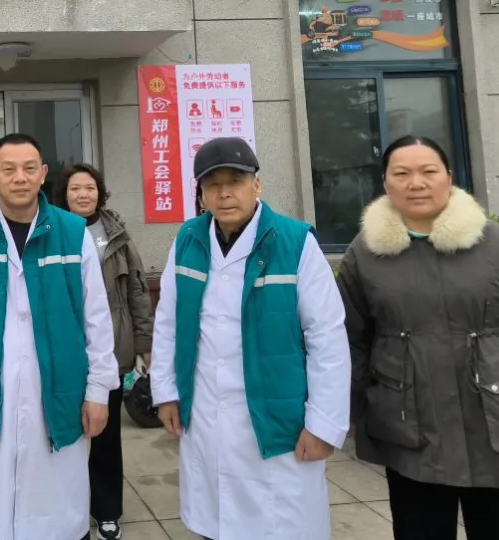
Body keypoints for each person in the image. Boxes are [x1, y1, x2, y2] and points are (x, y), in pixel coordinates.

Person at [337, 135, 499, 540]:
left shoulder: (497, 244)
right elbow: (351, 339)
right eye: (401, 173)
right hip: (410, 428)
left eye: (428, 171)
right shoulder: (365, 254)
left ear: (449, 177)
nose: (416, 183)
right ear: (385, 183)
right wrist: (350, 411)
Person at [150, 137, 351, 540]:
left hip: (278, 421)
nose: (225, 193)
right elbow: (168, 322)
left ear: (256, 185)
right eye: (213, 184)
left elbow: (326, 338)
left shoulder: (295, 242)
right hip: (206, 414)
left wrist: (324, 424)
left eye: (235, 181)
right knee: (216, 524)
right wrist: (166, 391)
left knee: (279, 528)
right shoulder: (188, 240)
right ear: (201, 194)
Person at [0, 133, 120, 540]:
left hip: (59, 390)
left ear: (43, 174)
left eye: (29, 168)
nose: (20, 177)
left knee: (58, 505)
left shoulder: (72, 233)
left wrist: (99, 391)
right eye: (9, 169)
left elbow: (96, 319)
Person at [52, 163, 153, 540]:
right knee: (63, 434)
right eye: (75, 188)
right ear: (64, 194)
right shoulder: (53, 231)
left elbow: (137, 291)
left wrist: (145, 343)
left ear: (100, 193)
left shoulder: (117, 236)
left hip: (110, 346)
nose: (83, 194)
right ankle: (67, 508)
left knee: (106, 435)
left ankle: (107, 510)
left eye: (90, 188)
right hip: (63, 350)